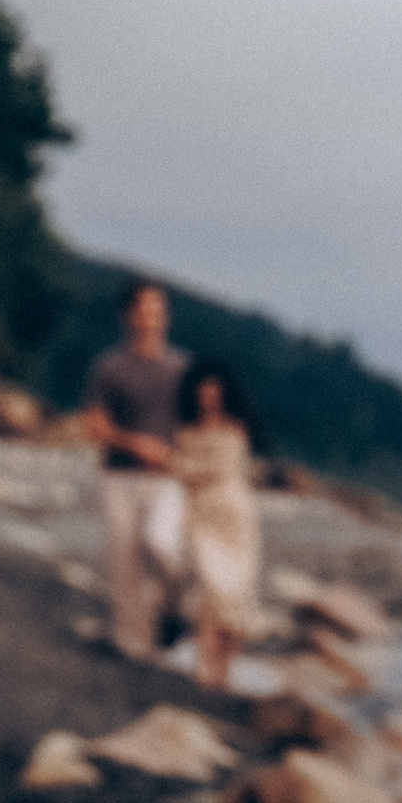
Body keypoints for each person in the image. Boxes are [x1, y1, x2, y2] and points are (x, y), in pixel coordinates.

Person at [81, 280, 192, 662]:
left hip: (168, 479)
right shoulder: (109, 367)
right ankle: (134, 644)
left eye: (158, 311)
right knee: (124, 560)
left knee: (162, 544)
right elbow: (94, 425)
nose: (152, 319)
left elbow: (200, 422)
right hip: (121, 475)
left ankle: (174, 610)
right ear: (128, 315)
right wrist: (136, 443)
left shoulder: (182, 367)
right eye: (144, 311)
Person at [171, 363, 266, 690]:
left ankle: (224, 669)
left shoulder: (235, 429)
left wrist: (183, 465)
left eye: (215, 392)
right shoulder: (185, 430)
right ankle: (205, 665)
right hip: (202, 517)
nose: (208, 398)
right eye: (203, 391)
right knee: (213, 591)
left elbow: (213, 468)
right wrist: (185, 467)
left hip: (235, 517)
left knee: (235, 595)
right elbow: (187, 471)